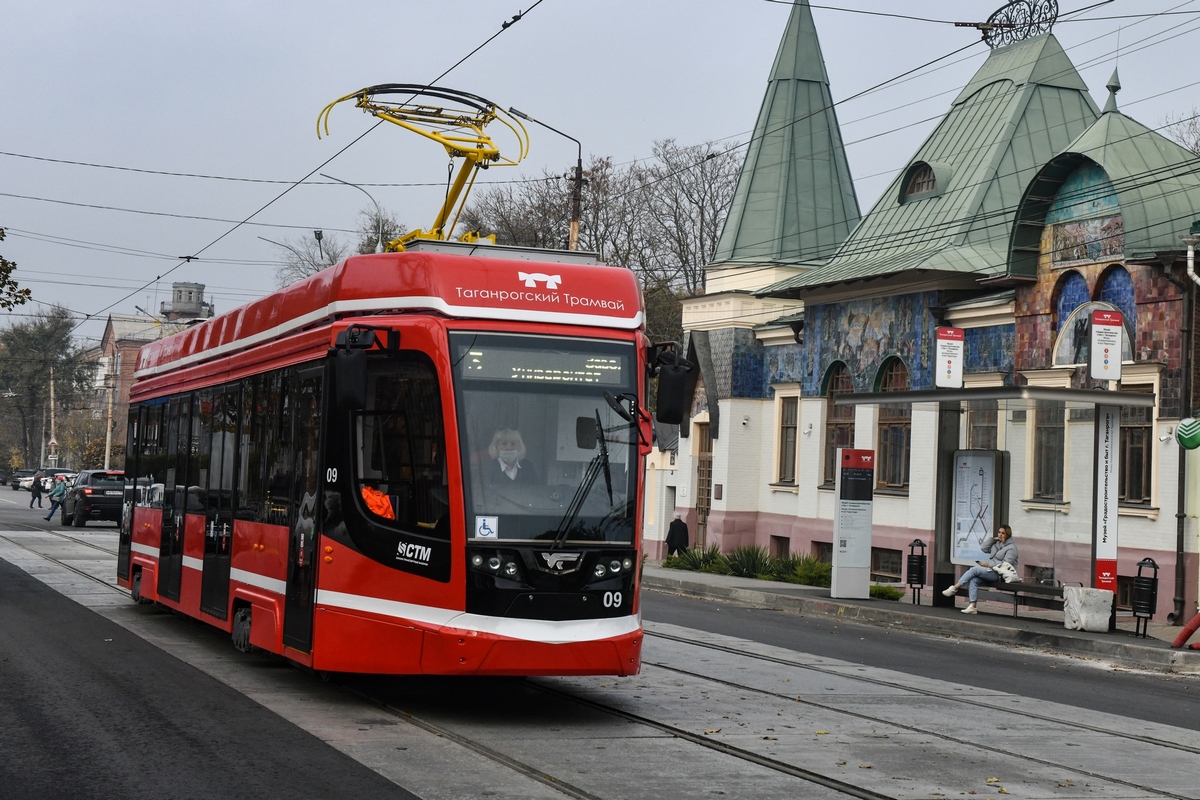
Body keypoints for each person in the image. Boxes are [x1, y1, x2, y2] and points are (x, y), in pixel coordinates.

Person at [942, 524, 1018, 614]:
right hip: (991, 571)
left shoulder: (1011, 548)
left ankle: (954, 588)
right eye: (999, 532)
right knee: (974, 580)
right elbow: (984, 548)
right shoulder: (997, 543)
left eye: (1003, 533)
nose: (1000, 535)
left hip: (1000, 575)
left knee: (975, 570)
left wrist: (988, 564)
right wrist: (992, 539)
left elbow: (1006, 564)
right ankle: (972, 606)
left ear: (1008, 535)